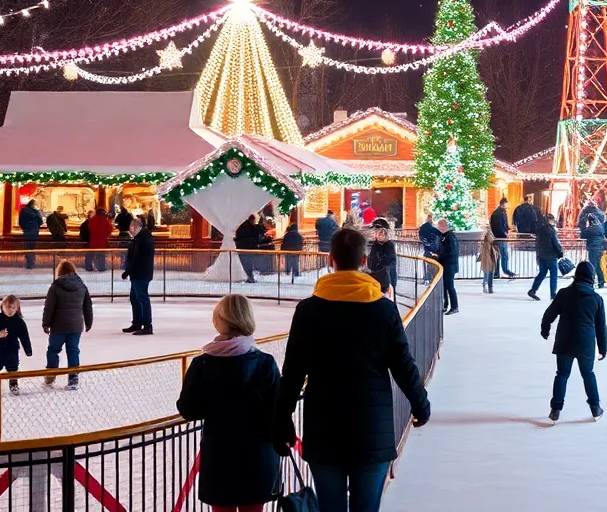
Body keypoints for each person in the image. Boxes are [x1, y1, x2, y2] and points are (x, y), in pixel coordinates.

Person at [274, 228, 430, 512]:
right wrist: (420, 404)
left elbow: (293, 371)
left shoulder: (309, 310)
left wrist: (282, 421)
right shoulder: (383, 309)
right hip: (372, 424)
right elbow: (403, 365)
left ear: (331, 259)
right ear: (364, 260)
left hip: (324, 426)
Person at [178, 294, 281, 512]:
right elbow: (278, 411)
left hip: (219, 455)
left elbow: (188, 409)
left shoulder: (202, 364)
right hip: (257, 456)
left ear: (219, 320)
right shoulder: (265, 364)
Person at [541, 260, 607, 423]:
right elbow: (601, 327)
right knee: (588, 374)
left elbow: (549, 313)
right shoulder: (596, 299)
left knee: (562, 374)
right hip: (585, 343)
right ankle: (596, 408)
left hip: (565, 340)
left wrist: (545, 328)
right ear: (591, 277)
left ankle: (555, 409)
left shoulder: (564, 293)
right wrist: (603, 348)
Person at [42, 260, 94, 389]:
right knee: (73, 351)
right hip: (75, 326)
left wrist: (46, 324)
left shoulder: (55, 287)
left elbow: (49, 307)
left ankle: (50, 376)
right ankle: (73, 378)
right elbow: (88, 306)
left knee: (53, 350)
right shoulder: (81, 286)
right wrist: (88, 322)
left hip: (58, 326)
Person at [0, 294, 32, 397]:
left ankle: (13, 384)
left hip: (12, 350)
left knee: (13, 369)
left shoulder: (19, 322)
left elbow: (24, 336)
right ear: (2, 307)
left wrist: (28, 350)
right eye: (7, 308)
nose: (10, 311)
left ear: (17, 308)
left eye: (13, 308)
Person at [122, 217, 155, 335]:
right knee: (135, 298)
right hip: (137, 273)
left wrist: (127, 271)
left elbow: (137, 258)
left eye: (132, 228)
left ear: (138, 227)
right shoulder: (138, 238)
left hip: (141, 273)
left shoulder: (143, 239)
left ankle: (147, 325)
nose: (130, 231)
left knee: (142, 299)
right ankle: (137, 322)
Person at [528, 212, 564, 301]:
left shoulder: (539, 230)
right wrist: (560, 252)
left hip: (541, 256)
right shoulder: (551, 230)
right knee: (553, 275)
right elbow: (555, 243)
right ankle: (553, 294)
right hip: (551, 256)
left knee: (542, 273)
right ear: (550, 220)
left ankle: (533, 290)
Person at [434, 218, 460, 315]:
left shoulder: (450, 237)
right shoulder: (444, 237)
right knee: (444, 286)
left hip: (450, 266)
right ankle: (445, 304)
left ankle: (454, 306)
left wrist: (440, 256)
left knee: (450, 286)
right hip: (446, 265)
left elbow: (451, 252)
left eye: (439, 226)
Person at [368, 218, 398, 297]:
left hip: (386, 282)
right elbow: (371, 260)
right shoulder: (376, 244)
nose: (376, 233)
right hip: (376, 280)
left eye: (377, 230)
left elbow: (389, 262)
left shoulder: (389, 245)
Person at [489, 197, 516, 279]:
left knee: (499, 255)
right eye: (506, 205)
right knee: (503, 254)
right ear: (503, 204)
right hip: (500, 237)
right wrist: (504, 233)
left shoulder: (500, 212)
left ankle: (497, 272)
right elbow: (499, 226)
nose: (506, 207)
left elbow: (503, 225)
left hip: (499, 237)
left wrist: (507, 229)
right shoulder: (498, 214)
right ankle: (505, 270)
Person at [235, 214, 263, 283]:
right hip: (247, 248)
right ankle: (250, 277)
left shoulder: (243, 227)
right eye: (254, 220)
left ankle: (250, 277)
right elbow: (253, 237)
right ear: (252, 220)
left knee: (247, 264)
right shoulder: (248, 228)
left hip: (243, 248)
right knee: (248, 264)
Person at [18, 200, 43, 270]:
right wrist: (36, 226)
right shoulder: (36, 211)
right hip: (34, 231)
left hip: (27, 231)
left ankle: (28, 262)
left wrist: (24, 228)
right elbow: (41, 221)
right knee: (32, 246)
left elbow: (20, 221)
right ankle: (31, 262)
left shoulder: (23, 211)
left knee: (28, 246)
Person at [87, 207, 112, 272]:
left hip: (93, 240)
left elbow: (89, 228)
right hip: (102, 240)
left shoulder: (92, 219)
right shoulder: (105, 220)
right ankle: (101, 267)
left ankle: (89, 267)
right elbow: (110, 229)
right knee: (101, 254)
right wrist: (105, 235)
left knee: (90, 255)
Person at [418, 212, 440, 282]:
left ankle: (428, 278)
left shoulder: (425, 228)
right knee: (431, 264)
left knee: (430, 264)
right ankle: (430, 278)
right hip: (432, 250)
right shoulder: (431, 228)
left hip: (430, 249)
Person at [479, 227, 499, 294]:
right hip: (488, 258)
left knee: (488, 272)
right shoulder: (487, 242)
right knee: (488, 272)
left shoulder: (488, 242)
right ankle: (487, 286)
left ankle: (488, 286)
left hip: (489, 258)